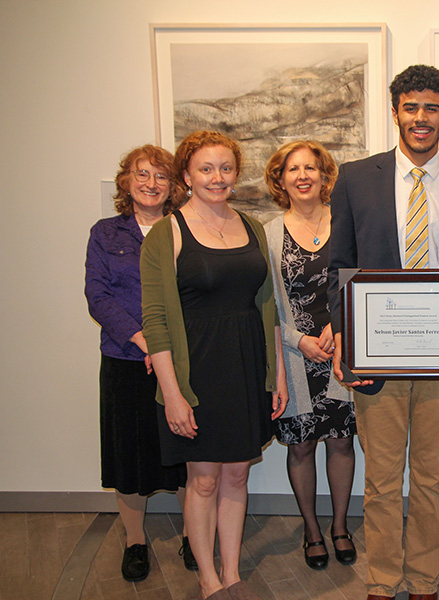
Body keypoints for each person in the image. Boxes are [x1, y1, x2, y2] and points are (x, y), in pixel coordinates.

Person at [327, 64, 439, 600]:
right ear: (395, 111)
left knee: (431, 480)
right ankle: (381, 579)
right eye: (411, 107)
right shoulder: (356, 178)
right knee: (380, 483)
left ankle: (423, 581)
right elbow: (339, 266)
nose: (421, 119)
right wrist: (345, 340)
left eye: (432, 109)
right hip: (376, 360)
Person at [141, 130, 288, 600]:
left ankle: (232, 572)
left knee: (238, 473)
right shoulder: (166, 235)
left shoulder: (250, 225)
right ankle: (207, 578)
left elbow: (268, 304)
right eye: (206, 168)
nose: (217, 177)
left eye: (225, 168)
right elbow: (157, 321)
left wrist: (277, 375)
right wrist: (173, 395)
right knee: (202, 480)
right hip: (197, 373)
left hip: (247, 366)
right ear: (186, 175)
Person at [85, 145, 194, 582]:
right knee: (128, 455)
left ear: (173, 186)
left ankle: (193, 534)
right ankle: (134, 541)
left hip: (182, 361)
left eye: (161, 176)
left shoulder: (185, 229)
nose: (151, 183)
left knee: (188, 452)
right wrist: (142, 338)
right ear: (125, 181)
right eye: (142, 174)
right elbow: (99, 295)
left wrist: (170, 345)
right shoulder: (105, 233)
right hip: (126, 361)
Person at [262, 140, 356, 570]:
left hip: (340, 351)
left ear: (324, 175)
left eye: (310, 168)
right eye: (292, 169)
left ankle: (339, 526)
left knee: (341, 441)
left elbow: (360, 283)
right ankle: (311, 529)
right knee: (300, 448)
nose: (302, 176)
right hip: (295, 358)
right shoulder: (265, 234)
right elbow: (263, 307)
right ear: (280, 179)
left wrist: (338, 327)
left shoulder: (346, 222)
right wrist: (299, 340)